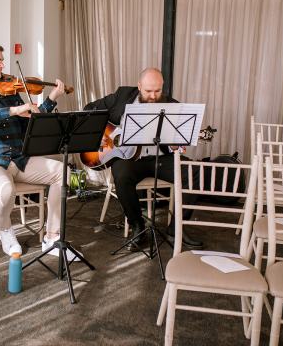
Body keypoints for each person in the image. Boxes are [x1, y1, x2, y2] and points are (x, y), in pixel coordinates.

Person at [0, 42, 76, 259]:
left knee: (64, 172)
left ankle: (52, 237)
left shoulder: (11, 92)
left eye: (3, 60)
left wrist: (52, 98)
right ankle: (5, 231)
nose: (3, 65)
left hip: (19, 159)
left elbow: (33, 119)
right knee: (5, 190)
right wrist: (14, 110)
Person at [84, 68, 203, 250]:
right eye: (148, 91)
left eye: (157, 91)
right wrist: (98, 133)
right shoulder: (122, 94)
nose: (153, 96)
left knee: (195, 172)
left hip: (159, 159)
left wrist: (176, 145)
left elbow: (178, 140)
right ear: (139, 86)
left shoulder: (173, 106)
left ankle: (176, 229)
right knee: (122, 175)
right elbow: (89, 109)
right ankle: (137, 227)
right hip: (128, 159)